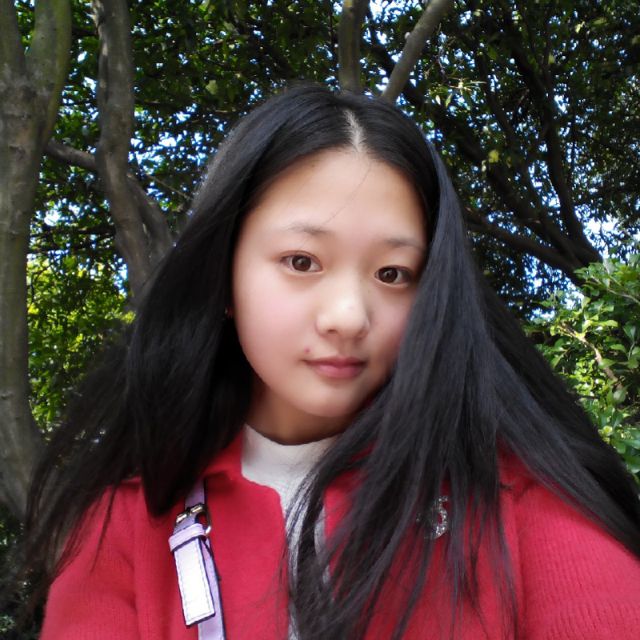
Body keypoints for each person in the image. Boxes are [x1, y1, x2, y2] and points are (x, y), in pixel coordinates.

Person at [27, 85, 640, 639]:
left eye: (393, 274)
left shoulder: (519, 495)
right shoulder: (121, 527)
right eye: (301, 261)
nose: (348, 316)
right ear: (223, 275)